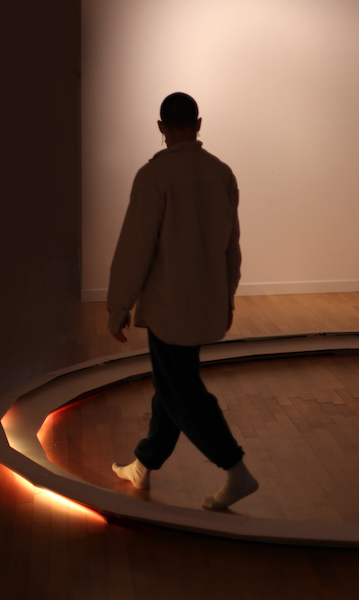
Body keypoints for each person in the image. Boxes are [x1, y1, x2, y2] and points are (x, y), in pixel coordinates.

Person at [107, 92, 259, 510]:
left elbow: (134, 248)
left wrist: (118, 308)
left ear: (161, 128)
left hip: (168, 306)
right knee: (171, 384)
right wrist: (228, 297)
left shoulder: (154, 176)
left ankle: (235, 470)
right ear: (199, 123)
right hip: (205, 303)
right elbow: (232, 246)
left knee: (181, 391)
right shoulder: (221, 173)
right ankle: (144, 464)